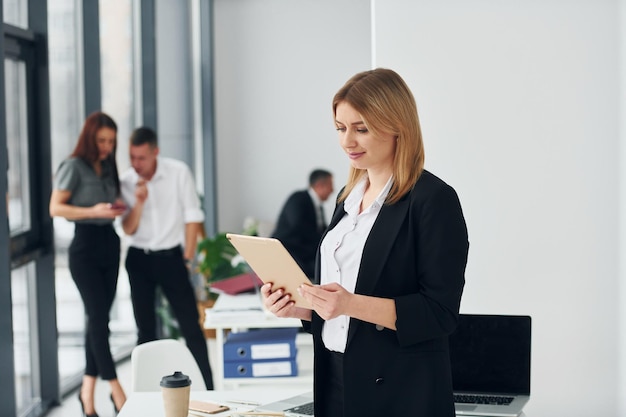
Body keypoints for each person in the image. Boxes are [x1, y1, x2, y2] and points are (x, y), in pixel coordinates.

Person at [262, 68, 469, 417]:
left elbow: (439, 313)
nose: (347, 141)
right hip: (335, 380)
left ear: (397, 127)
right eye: (341, 129)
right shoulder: (347, 198)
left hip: (401, 393)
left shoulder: (433, 200)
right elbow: (341, 312)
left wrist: (348, 305)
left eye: (362, 129)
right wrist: (300, 307)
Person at [120, 126, 214, 389]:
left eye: (142, 157)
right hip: (139, 259)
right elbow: (128, 228)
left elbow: (193, 216)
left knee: (191, 328)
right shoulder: (127, 181)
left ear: (155, 152)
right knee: (145, 331)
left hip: (172, 259)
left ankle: (209, 387)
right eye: (132, 157)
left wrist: (187, 257)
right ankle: (147, 391)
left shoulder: (177, 172)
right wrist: (138, 202)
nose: (136, 164)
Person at [49, 111, 128, 416]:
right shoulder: (73, 166)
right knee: (98, 320)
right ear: (89, 138)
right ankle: (116, 389)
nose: (107, 146)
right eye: (102, 140)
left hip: (109, 243)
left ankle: (86, 393)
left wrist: (112, 210)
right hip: (84, 249)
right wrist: (93, 210)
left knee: (98, 321)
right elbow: (55, 208)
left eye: (111, 141)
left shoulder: (107, 165)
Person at [272, 169, 334, 280]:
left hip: (305, 251)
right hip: (289, 250)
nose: (332, 190)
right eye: (330, 185)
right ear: (319, 185)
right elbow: (299, 226)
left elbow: (323, 230)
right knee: (321, 270)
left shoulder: (318, 207)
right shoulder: (299, 198)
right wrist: (322, 242)